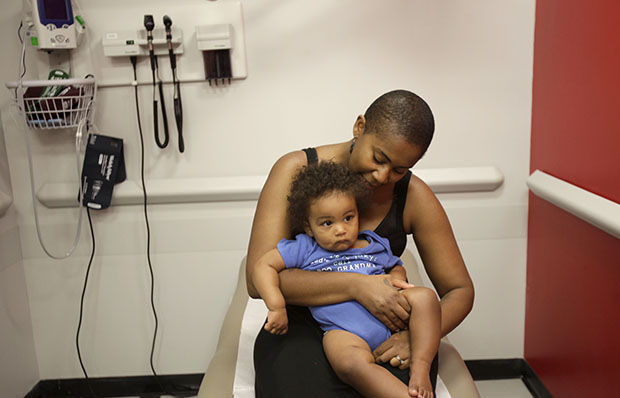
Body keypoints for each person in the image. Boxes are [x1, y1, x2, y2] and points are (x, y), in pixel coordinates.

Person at [247, 89, 474, 398]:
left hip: (385, 331)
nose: (383, 176)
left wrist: (413, 338)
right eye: (379, 158)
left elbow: (459, 291)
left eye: (399, 169)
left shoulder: (414, 197)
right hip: (301, 325)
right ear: (359, 127)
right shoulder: (294, 170)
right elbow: (255, 280)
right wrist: (357, 286)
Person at [253, 161, 441, 398]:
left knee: (426, 298)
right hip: (344, 331)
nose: (340, 229)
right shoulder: (305, 247)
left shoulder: (373, 243)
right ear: (309, 228)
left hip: (389, 321)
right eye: (327, 223)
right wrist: (276, 305)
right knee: (349, 364)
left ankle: (420, 370)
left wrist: (395, 281)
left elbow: (395, 265)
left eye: (348, 218)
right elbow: (263, 265)